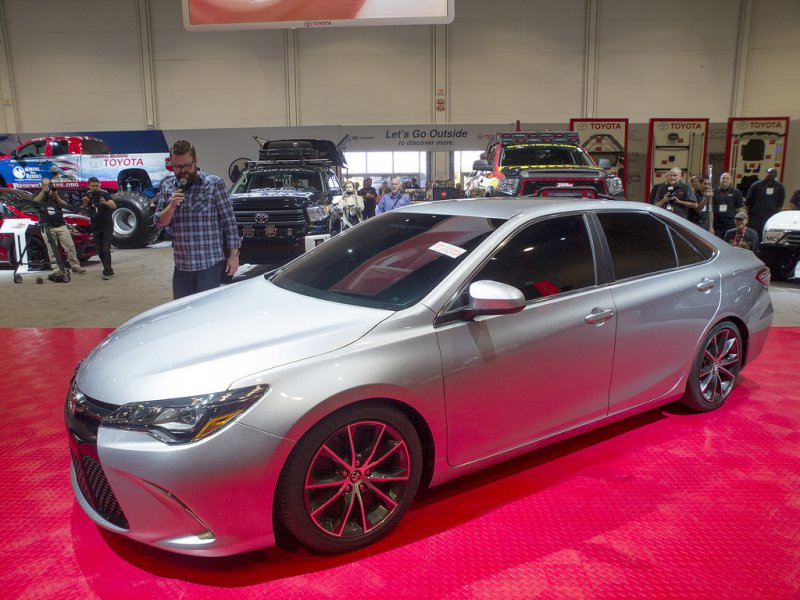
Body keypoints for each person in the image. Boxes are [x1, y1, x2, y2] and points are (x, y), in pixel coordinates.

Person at [154, 139, 240, 300]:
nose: (182, 171)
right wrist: (171, 206)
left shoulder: (214, 184)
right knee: (182, 313)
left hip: (209, 264)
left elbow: (229, 222)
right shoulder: (167, 187)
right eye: (177, 166)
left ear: (195, 160)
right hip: (182, 266)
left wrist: (234, 255)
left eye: (187, 165)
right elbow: (159, 223)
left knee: (207, 313)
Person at [32, 177, 86, 274]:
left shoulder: (56, 193)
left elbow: (65, 205)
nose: (47, 187)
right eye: (45, 185)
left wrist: (56, 196)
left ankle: (75, 265)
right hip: (47, 225)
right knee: (52, 249)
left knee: (70, 246)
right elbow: (34, 203)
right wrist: (43, 192)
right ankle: (56, 269)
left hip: (60, 224)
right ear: (41, 186)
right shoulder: (38, 193)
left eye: (48, 185)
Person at [81, 177, 116, 279]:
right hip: (95, 225)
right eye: (93, 186)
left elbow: (114, 206)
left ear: (99, 185)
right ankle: (107, 268)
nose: (95, 188)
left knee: (106, 248)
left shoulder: (104, 193)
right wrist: (85, 203)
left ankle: (108, 270)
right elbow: (83, 211)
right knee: (99, 250)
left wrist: (104, 202)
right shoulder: (87, 195)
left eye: (96, 186)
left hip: (107, 225)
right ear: (89, 186)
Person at [746, 167, 785, 242]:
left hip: (770, 217)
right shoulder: (756, 185)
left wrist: (775, 215)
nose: (770, 174)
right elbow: (748, 201)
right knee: (754, 236)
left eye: (772, 173)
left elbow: (780, 203)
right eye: (769, 172)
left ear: (775, 175)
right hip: (756, 217)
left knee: (767, 236)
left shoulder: (780, 187)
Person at [710, 172, 745, 239]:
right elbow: (711, 210)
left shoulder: (736, 192)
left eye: (727, 178)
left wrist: (740, 224)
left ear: (731, 181)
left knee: (729, 243)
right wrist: (711, 226)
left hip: (731, 224)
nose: (725, 180)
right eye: (723, 178)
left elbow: (740, 210)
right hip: (717, 224)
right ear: (720, 180)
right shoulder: (714, 192)